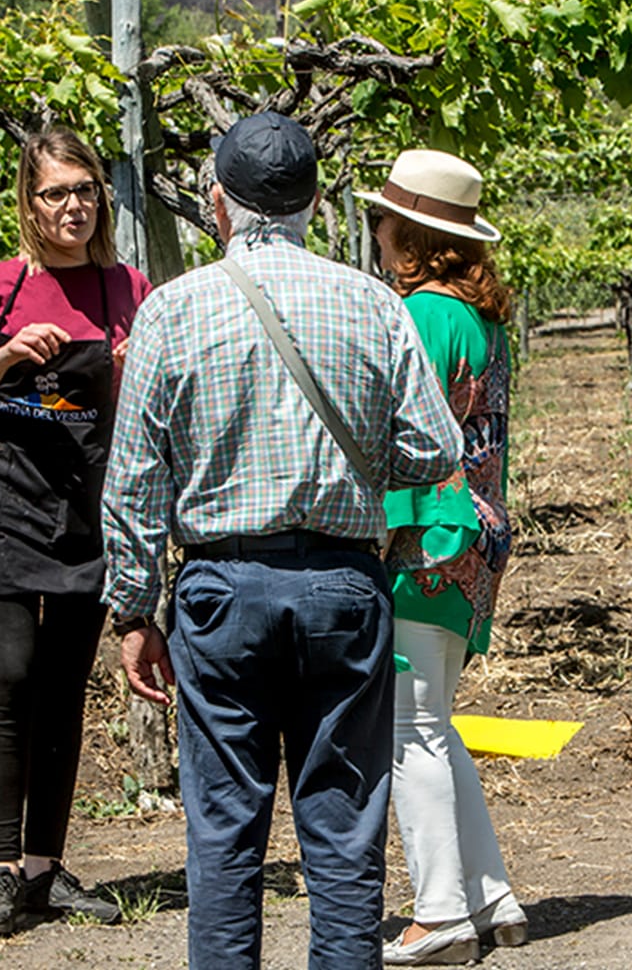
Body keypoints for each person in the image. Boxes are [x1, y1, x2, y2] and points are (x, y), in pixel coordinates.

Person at [101, 111, 462, 970]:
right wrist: (358, 460)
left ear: (215, 202)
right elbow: (434, 447)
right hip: (344, 587)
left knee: (224, 832)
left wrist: (131, 610)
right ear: (309, 203)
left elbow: (134, 483)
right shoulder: (371, 301)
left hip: (221, 592)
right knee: (343, 830)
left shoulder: (172, 311)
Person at [0, 127, 150, 938]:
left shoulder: (129, 288)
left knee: (64, 691)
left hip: (88, 517)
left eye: (86, 189)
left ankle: (44, 869)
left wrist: (129, 369)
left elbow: (142, 414)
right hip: (5, 511)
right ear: (29, 203)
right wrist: (4, 359)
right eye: (56, 192)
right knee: (12, 675)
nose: (73, 206)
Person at [355, 150, 525, 966]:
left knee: (409, 732)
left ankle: (440, 911)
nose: (377, 232)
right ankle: (489, 892)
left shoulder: (422, 313)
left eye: (385, 220)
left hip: (426, 535)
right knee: (433, 723)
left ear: (415, 235)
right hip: (474, 536)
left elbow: (400, 431)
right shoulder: (481, 317)